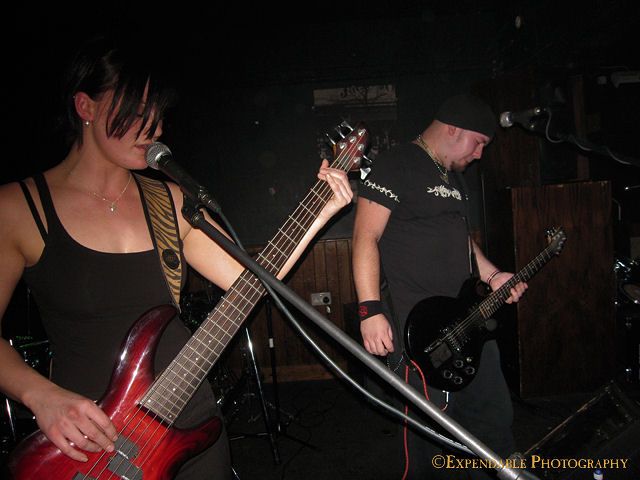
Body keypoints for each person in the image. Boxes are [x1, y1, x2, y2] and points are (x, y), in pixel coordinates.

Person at [0, 34, 353, 479]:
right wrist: (41, 396)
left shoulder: (170, 200)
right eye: (138, 110)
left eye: (159, 114)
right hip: (89, 446)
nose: (155, 128)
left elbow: (248, 282)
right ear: (85, 106)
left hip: (189, 423)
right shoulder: (17, 208)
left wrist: (318, 212)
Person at [352, 94, 527, 479]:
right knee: (428, 438)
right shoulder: (395, 164)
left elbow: (461, 238)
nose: (479, 154)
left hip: (468, 318)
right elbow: (365, 236)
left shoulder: (453, 176)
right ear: (453, 130)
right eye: (478, 143)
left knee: (493, 417)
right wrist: (370, 309)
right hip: (422, 330)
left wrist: (492, 275)